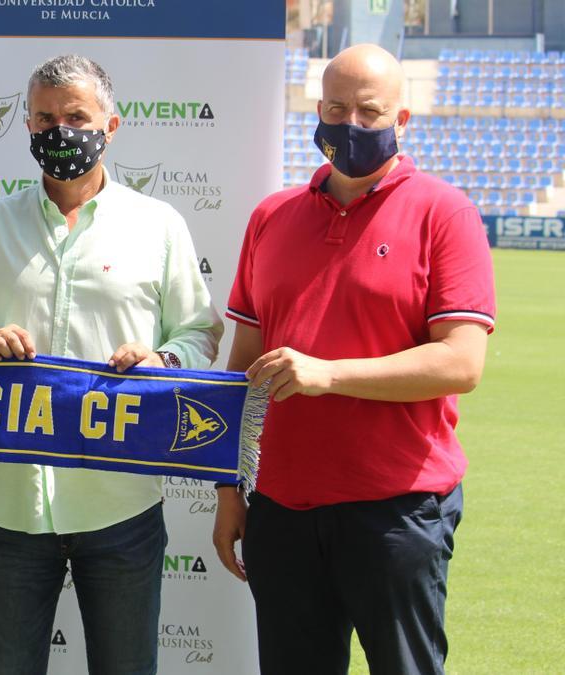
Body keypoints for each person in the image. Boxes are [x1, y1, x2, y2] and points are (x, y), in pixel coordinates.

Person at [0, 54, 223, 675]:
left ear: (110, 125)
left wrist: (164, 357)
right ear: (28, 127)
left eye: (75, 116)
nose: (58, 130)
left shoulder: (159, 226)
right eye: (43, 119)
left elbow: (199, 334)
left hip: (121, 503)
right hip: (11, 506)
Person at [211, 44, 495, 675]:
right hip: (281, 507)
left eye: (370, 111)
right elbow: (242, 369)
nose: (351, 124)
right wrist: (229, 487)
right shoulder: (272, 216)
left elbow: (461, 363)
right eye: (337, 108)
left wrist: (329, 374)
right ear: (317, 109)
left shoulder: (445, 212)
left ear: (403, 119)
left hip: (397, 507)